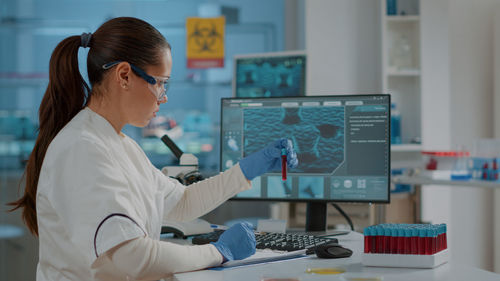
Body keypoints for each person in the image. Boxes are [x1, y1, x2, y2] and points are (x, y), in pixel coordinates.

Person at [8, 17, 298, 281]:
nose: (164, 97)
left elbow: (182, 202)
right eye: (160, 83)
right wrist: (220, 252)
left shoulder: (120, 143)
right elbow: (134, 258)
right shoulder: (82, 149)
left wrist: (249, 169)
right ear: (124, 75)